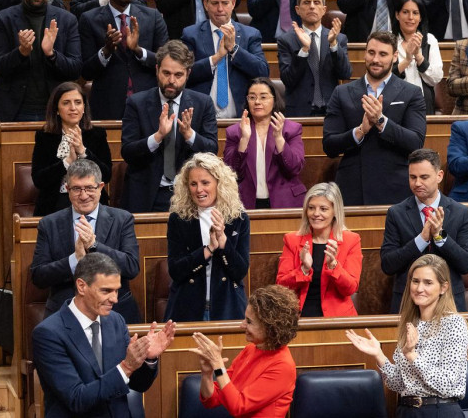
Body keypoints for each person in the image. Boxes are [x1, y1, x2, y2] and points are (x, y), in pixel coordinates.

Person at [31, 253, 175, 417]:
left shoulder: (116, 321)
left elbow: (137, 384)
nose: (114, 299)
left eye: (116, 291)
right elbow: (77, 398)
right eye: (106, 291)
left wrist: (147, 359)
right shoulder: (48, 334)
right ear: (81, 286)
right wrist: (127, 366)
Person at [347, 254, 468, 415]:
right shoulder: (411, 323)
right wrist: (379, 355)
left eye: (428, 283)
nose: (419, 289)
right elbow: (399, 384)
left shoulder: (454, 324)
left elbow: (446, 384)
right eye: (415, 281)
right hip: (407, 411)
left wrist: (412, 356)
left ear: (443, 287)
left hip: (440, 411)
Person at [322, 31, 427, 206]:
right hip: (352, 187)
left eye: (383, 54)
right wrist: (360, 131)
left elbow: (415, 142)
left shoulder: (412, 93)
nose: (376, 59)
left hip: (395, 188)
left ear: (394, 57)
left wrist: (381, 121)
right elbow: (329, 145)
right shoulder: (342, 92)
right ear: (365, 53)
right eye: (371, 53)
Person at [31, 158, 137, 323]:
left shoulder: (122, 219)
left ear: (101, 187)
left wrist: (94, 246)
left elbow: (131, 267)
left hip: (114, 311)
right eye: (76, 189)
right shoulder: (49, 224)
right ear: (67, 189)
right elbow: (38, 276)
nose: (83, 195)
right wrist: (75, 260)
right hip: (64, 311)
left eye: (89, 188)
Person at [120, 40, 219, 213]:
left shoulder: (203, 103)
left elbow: (212, 150)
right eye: (166, 73)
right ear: (157, 70)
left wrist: (190, 135)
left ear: (188, 74)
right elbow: (127, 152)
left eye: (178, 75)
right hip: (147, 193)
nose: (171, 80)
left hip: (189, 194)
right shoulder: (137, 103)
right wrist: (157, 136)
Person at [382, 149, 468, 312]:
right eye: (413, 177)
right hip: (409, 305)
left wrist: (440, 236)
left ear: (439, 176)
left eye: (424, 177)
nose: (417, 183)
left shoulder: (460, 213)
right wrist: (421, 239)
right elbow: (388, 264)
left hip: (449, 304)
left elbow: (466, 264)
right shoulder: (396, 213)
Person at [0, 0, 81, 123]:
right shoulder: (3, 19)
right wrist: (21, 53)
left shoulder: (67, 20)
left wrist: (51, 54)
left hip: (56, 108)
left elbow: (75, 70)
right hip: (15, 109)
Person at [165, 152, 250, 322]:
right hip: (187, 306)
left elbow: (240, 271)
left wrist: (223, 242)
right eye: (193, 184)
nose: (199, 190)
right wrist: (209, 249)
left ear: (219, 184)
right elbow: (176, 270)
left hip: (228, 306)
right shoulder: (179, 218)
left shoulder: (238, 217)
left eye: (205, 183)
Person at [191, 285, 299, 417]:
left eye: (249, 322)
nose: (242, 325)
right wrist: (207, 374)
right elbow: (212, 400)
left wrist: (218, 365)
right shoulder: (250, 349)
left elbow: (238, 406)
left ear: (270, 328)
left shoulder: (283, 366)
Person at [79, 0, 170, 120]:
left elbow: (165, 61)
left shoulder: (153, 17)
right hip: (108, 103)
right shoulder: (89, 19)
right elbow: (86, 71)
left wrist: (138, 50)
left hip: (147, 101)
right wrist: (106, 51)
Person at [181, 0, 270, 120]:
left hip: (241, 118)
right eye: (215, 3)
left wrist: (234, 49)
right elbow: (184, 74)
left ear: (233, 3)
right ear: (205, 4)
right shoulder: (191, 34)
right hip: (201, 117)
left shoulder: (250, 34)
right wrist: (216, 58)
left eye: (225, 3)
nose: (220, 9)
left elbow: (262, 71)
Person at [276, 182, 363, 317]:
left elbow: (350, 288)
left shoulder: (351, 240)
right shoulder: (292, 240)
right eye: (311, 208)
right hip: (297, 318)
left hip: (337, 319)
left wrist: (333, 265)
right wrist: (303, 269)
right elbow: (281, 286)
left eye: (323, 209)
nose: (316, 214)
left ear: (335, 211)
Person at [31, 82, 113, 217]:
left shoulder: (97, 135)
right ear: (56, 109)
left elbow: (106, 175)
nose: (73, 108)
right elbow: (39, 179)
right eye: (66, 103)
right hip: (55, 203)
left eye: (78, 102)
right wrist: (66, 162)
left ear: (84, 107)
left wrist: (83, 152)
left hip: (91, 202)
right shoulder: (45, 137)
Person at [223, 77, 306, 209]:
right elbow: (231, 173)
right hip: (245, 203)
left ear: (274, 100)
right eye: (252, 97)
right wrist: (244, 140)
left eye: (263, 97)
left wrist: (279, 138)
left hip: (285, 202)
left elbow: (294, 168)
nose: (257, 102)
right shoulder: (235, 132)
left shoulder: (291, 129)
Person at [278, 0, 351, 116]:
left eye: (316, 2)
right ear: (298, 10)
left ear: (324, 10)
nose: (312, 6)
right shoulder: (286, 40)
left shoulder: (339, 38)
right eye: (306, 2)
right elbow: (288, 80)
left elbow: (345, 73)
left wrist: (333, 44)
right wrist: (304, 50)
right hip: (299, 112)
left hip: (331, 110)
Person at [393, 0, 443, 114]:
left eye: (415, 13)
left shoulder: (430, 40)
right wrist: (407, 60)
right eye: (405, 12)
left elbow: (436, 78)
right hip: (394, 104)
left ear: (420, 18)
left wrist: (419, 57)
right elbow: (384, 77)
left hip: (423, 106)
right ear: (397, 15)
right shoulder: (388, 40)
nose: (410, 17)